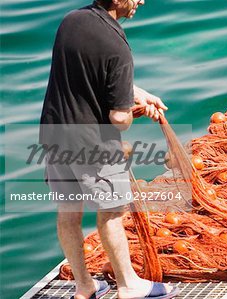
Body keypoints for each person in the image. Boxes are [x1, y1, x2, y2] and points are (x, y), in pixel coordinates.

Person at [39, 0, 179, 298]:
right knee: (111, 212)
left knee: (68, 212)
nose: (141, 0)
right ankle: (129, 286)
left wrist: (138, 93)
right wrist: (132, 109)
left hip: (55, 132)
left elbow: (89, 75)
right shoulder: (118, 46)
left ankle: (84, 286)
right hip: (92, 143)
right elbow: (119, 119)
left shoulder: (71, 21)